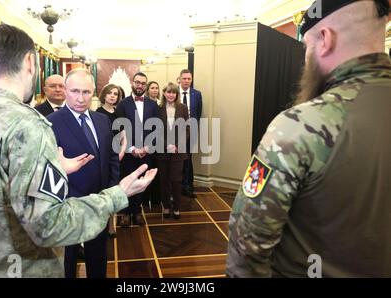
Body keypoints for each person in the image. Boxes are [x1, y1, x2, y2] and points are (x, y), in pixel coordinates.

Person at [0, 24, 156, 278]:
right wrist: (118, 194)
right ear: (31, 63)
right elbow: (47, 225)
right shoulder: (28, 124)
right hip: (19, 267)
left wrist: (54, 169)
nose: (80, 97)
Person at [226, 0, 391, 278]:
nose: (305, 59)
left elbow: (248, 243)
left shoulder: (299, 126)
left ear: (325, 40)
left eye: (306, 48)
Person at [47, 69, 119, 278]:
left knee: (98, 256)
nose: (80, 98)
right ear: (66, 91)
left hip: (99, 202)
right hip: (68, 206)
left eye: (86, 92)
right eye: (75, 91)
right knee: (67, 261)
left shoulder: (102, 120)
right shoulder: (50, 122)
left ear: (94, 92)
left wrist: (110, 193)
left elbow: (112, 158)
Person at [115, 72, 159, 227]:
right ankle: (126, 212)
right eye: (137, 82)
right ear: (132, 83)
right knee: (127, 181)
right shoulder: (123, 104)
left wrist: (147, 147)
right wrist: (132, 148)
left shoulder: (153, 105)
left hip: (146, 151)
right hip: (128, 152)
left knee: (142, 182)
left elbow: (156, 128)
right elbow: (120, 129)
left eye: (142, 83)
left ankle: (137, 211)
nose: (140, 85)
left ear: (145, 86)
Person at [96, 83, 126, 237]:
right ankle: (102, 222)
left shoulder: (118, 114)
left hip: (117, 156)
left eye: (115, 93)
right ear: (104, 95)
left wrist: (121, 152)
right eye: (110, 93)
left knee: (114, 189)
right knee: (103, 190)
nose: (113, 96)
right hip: (102, 157)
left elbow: (123, 136)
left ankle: (112, 224)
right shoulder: (97, 113)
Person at [156, 83, 189, 219]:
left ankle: (176, 207)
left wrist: (176, 145)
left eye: (173, 92)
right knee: (164, 181)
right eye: (168, 92)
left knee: (176, 180)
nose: (171, 95)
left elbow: (187, 129)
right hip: (162, 151)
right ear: (164, 93)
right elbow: (155, 130)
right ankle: (166, 207)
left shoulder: (183, 108)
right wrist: (166, 145)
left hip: (178, 151)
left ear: (177, 94)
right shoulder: (158, 109)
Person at [178, 69, 202, 199]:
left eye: (189, 79)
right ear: (179, 79)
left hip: (190, 133)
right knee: (176, 159)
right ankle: (176, 186)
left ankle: (187, 186)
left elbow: (198, 113)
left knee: (188, 159)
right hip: (175, 133)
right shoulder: (173, 92)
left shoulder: (197, 94)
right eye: (184, 78)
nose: (187, 81)